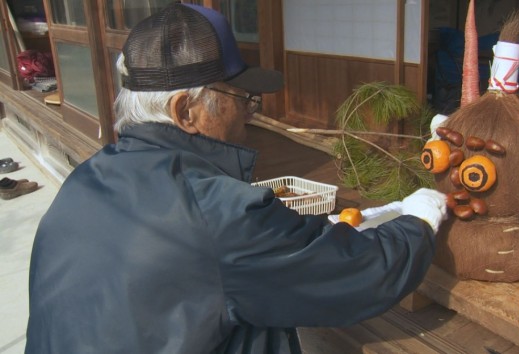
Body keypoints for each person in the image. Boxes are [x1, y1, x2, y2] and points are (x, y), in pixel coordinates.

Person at [26, 3, 447, 353]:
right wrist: (418, 222)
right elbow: (353, 274)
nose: (252, 112)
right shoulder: (215, 211)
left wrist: (304, 236)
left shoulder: (85, 180)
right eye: (241, 98)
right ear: (184, 112)